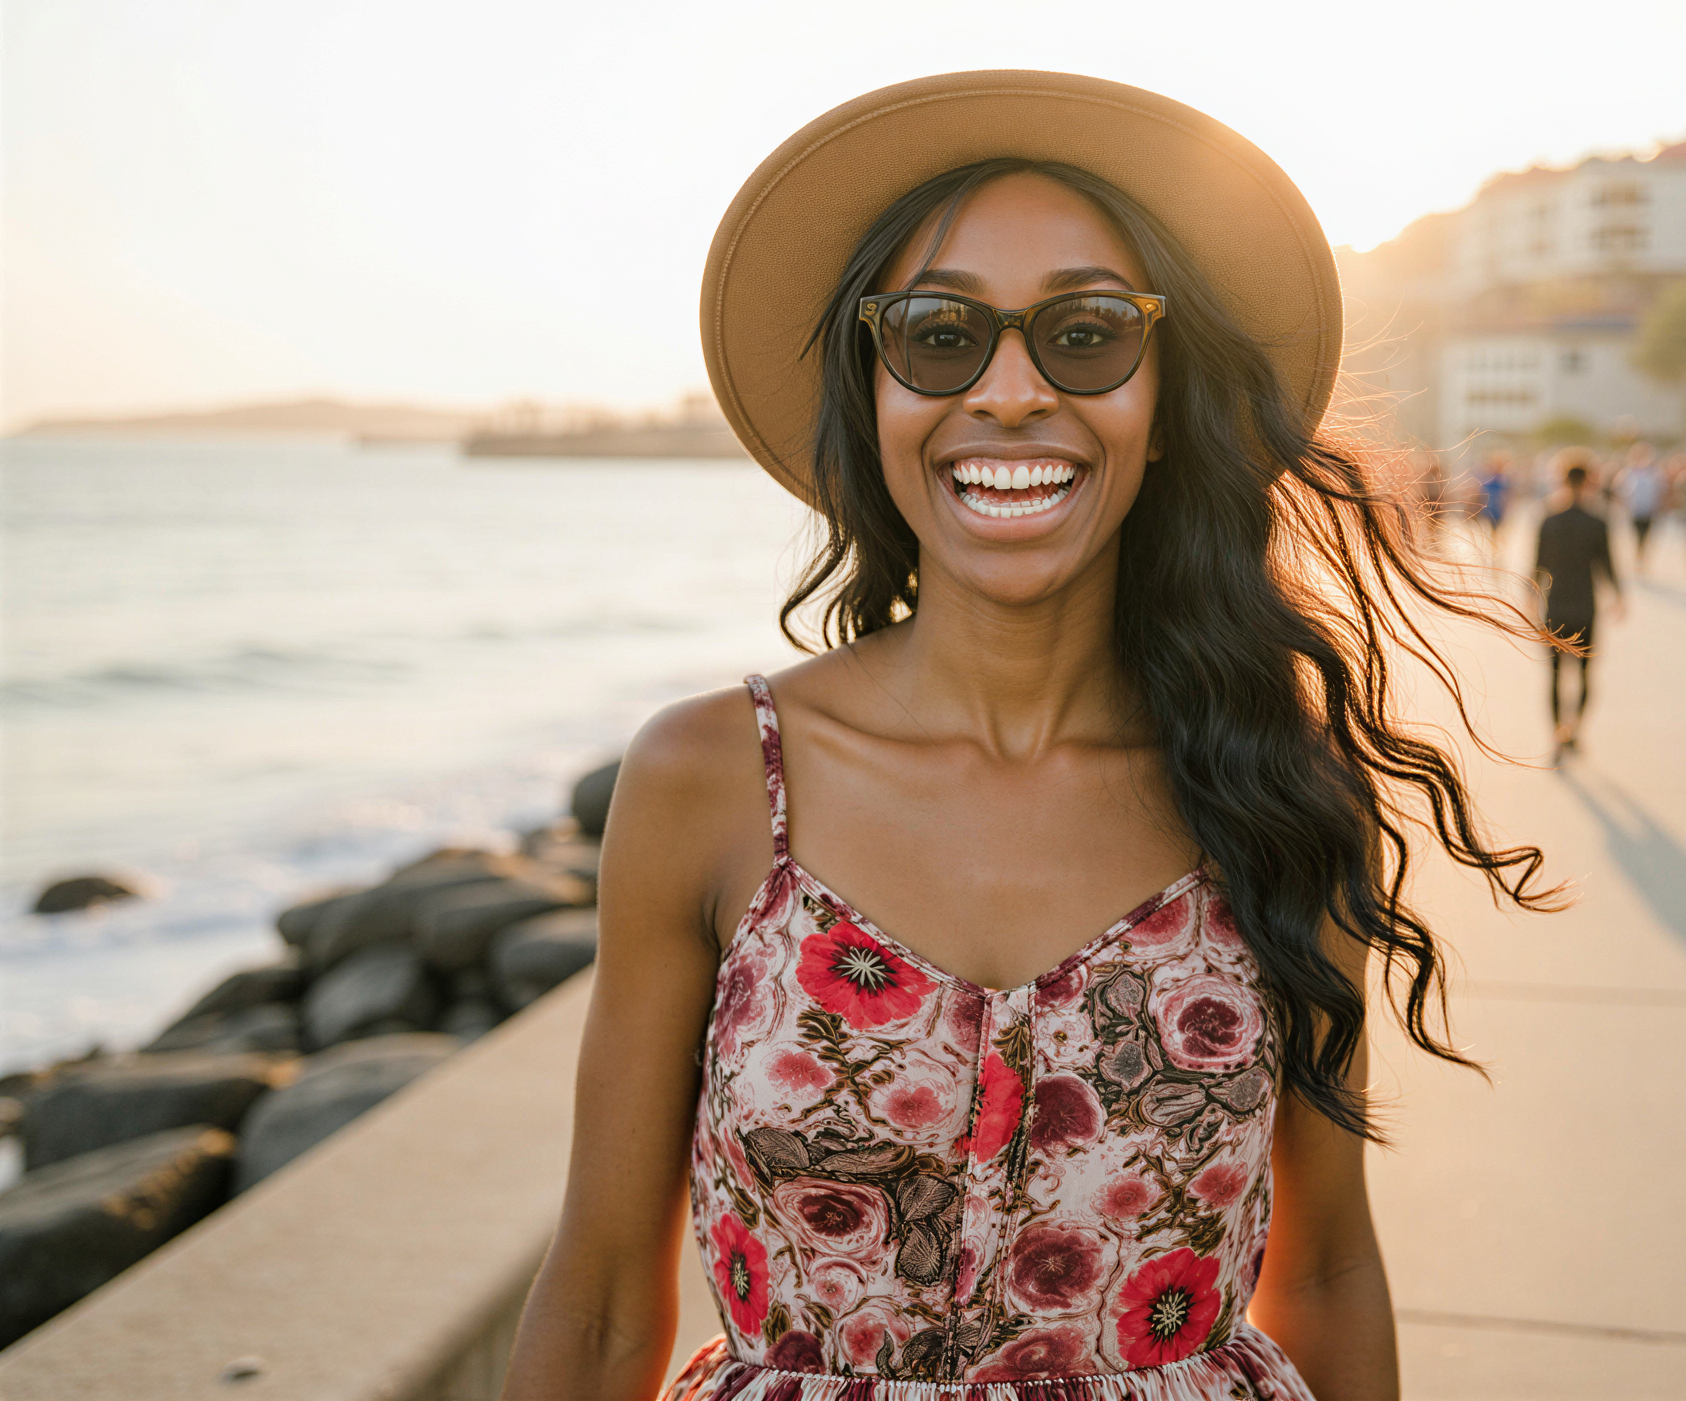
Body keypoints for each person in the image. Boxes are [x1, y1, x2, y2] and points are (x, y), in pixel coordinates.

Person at [502, 72, 1555, 1401]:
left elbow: (1332, 1268)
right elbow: (601, 1306)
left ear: (1164, 403)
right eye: (940, 334)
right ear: (873, 394)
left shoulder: (1280, 791)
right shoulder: (708, 783)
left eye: (1087, 333)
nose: (1009, 393)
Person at [1534, 458, 1623, 760]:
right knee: (1584, 674)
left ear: (1561, 480)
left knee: (1555, 674)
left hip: (1555, 604)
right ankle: (1574, 730)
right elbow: (1608, 563)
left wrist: (1529, 601)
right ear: (1588, 482)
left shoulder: (1549, 520)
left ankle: (1557, 732)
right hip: (1585, 605)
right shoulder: (1596, 521)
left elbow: (1537, 565)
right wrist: (1618, 596)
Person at [1617, 443, 1665, 573]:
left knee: (1645, 535)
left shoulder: (1653, 472)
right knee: (1636, 534)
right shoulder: (1628, 472)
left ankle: (1641, 558)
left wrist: (1658, 505)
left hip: (1649, 510)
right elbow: (1620, 489)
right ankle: (1638, 557)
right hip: (1634, 510)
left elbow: (1659, 490)